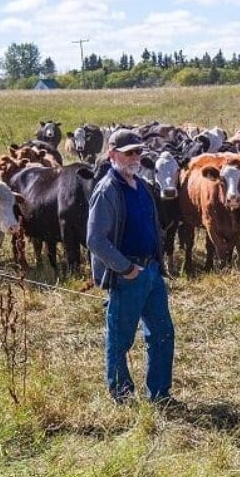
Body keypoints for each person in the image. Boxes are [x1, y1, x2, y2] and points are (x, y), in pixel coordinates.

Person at [87, 130, 174, 403]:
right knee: (120, 339)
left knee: (162, 333)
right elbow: (95, 240)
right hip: (127, 275)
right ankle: (122, 396)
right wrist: (125, 268)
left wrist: (157, 264)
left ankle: (160, 394)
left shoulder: (141, 185)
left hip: (150, 271)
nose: (135, 157)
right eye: (129, 153)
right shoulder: (107, 190)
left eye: (138, 152)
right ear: (112, 154)